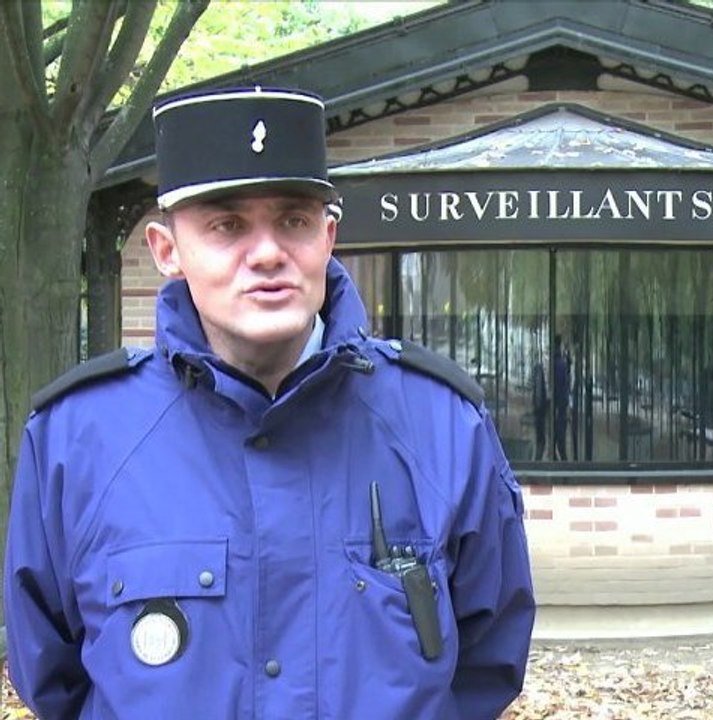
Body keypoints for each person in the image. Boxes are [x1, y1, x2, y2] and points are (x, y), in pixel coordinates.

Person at [4, 87, 535, 720]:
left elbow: (488, 661)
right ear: (166, 250)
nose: (266, 253)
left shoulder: (441, 423)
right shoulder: (79, 437)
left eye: (293, 220)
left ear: (328, 235)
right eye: (226, 225)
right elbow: (50, 674)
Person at [552, 334, 569, 461]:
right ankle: (564, 467)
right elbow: (564, 387)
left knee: (556, 441)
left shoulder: (555, 364)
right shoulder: (561, 364)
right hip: (560, 408)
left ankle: (563, 467)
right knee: (559, 441)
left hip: (556, 408)